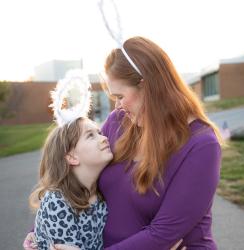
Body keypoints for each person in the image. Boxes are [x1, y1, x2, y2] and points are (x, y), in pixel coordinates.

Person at [24, 36, 222, 250]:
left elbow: (164, 234)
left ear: (148, 88)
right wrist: (43, 229)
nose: (116, 105)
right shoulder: (120, 121)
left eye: (119, 95)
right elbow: (76, 176)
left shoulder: (201, 144)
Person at [25, 116, 113, 250]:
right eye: (90, 136)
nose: (104, 138)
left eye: (99, 133)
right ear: (72, 157)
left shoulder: (100, 194)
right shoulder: (57, 201)